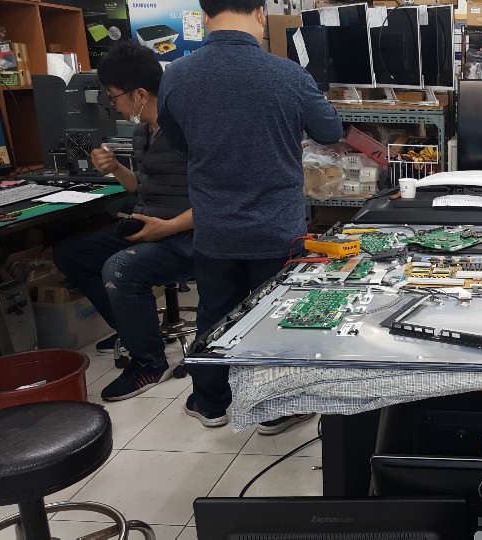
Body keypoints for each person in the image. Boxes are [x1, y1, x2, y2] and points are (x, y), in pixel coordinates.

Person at [157, 0, 343, 434]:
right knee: (275, 318)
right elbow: (330, 132)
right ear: (260, 14)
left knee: (214, 314)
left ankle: (211, 404)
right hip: (277, 230)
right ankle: (273, 409)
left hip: (214, 228)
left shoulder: (177, 76)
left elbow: (178, 141)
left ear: (205, 16)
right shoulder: (288, 75)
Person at [54, 41, 194, 401]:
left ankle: (150, 363)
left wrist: (167, 227)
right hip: (150, 225)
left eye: (114, 96)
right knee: (72, 254)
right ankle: (135, 331)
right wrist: (115, 167)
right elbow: (140, 186)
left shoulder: (188, 130)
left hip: (186, 235)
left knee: (119, 268)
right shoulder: (142, 131)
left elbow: (216, 200)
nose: (112, 103)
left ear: (141, 95)